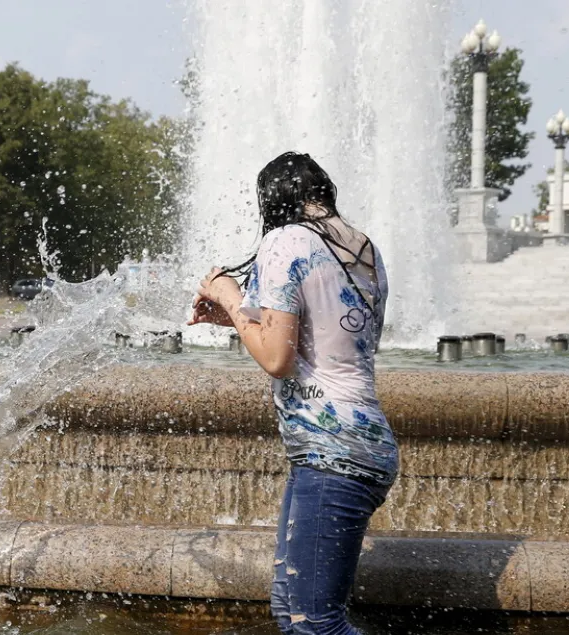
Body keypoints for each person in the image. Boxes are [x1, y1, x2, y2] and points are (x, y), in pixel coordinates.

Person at [191, 152, 396, 635]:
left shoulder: (285, 240)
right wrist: (239, 320)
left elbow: (277, 360)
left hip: (334, 452)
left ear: (272, 201)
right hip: (354, 445)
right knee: (292, 614)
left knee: (316, 624)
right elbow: (318, 338)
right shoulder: (363, 245)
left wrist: (229, 297)